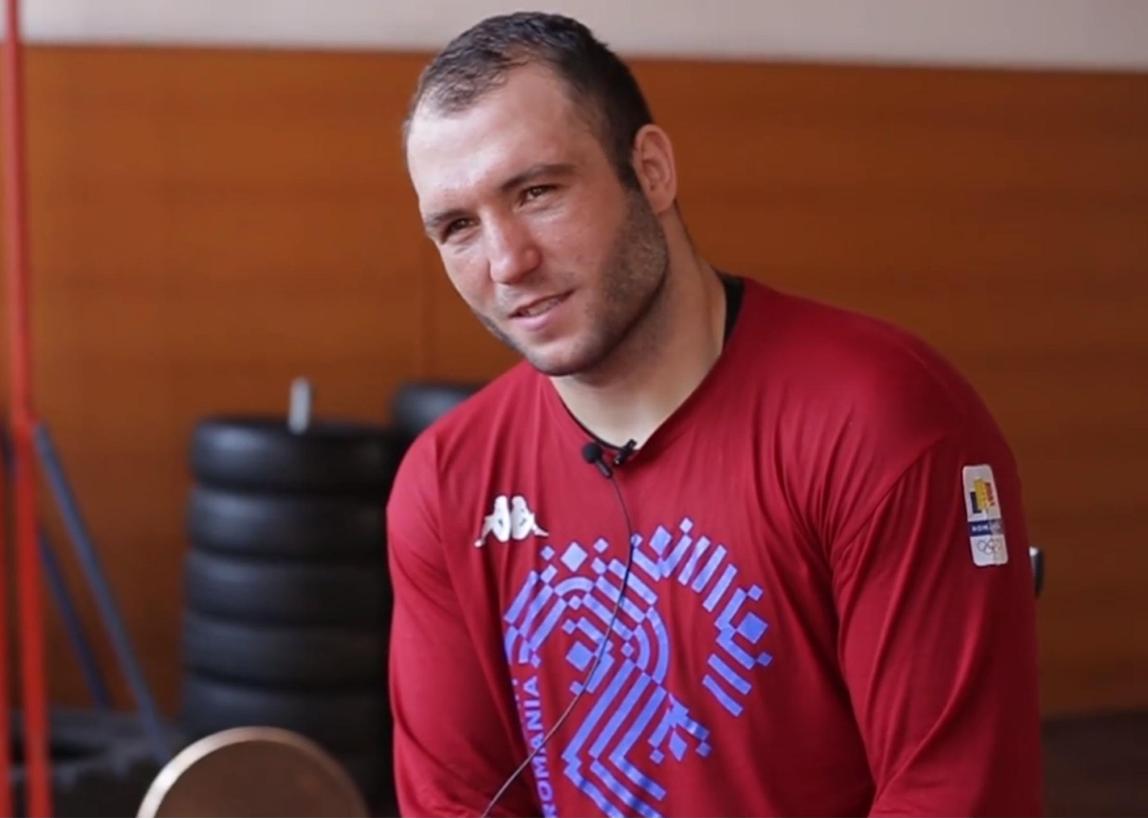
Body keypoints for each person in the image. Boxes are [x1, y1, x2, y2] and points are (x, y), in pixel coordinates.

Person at [388, 11, 1043, 817]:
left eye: (537, 192)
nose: (507, 262)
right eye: (458, 227)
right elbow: (456, 804)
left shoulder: (880, 418)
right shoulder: (446, 481)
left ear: (652, 170)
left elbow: (954, 794)